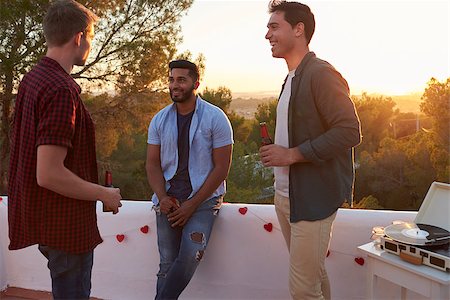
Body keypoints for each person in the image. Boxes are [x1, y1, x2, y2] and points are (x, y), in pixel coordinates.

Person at [8, 1, 122, 299]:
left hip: (47, 221)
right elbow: (49, 174)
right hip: (66, 228)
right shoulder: (60, 89)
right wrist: (103, 193)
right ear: (79, 36)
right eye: (92, 37)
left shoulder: (33, 79)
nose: (91, 44)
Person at [260, 1, 362, 299]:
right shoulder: (292, 78)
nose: (268, 35)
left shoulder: (320, 73)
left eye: (274, 26)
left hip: (312, 199)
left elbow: (349, 131)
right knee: (314, 279)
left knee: (303, 290)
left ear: (299, 29)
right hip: (287, 197)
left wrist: (291, 154)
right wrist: (279, 151)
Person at [146, 60, 233, 299]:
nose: (175, 85)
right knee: (166, 263)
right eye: (172, 80)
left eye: (181, 80)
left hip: (203, 201)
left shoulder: (216, 118)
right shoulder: (160, 120)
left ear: (195, 83)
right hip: (169, 200)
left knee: (190, 254)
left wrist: (192, 205)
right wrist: (162, 197)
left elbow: (222, 168)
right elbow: (152, 164)